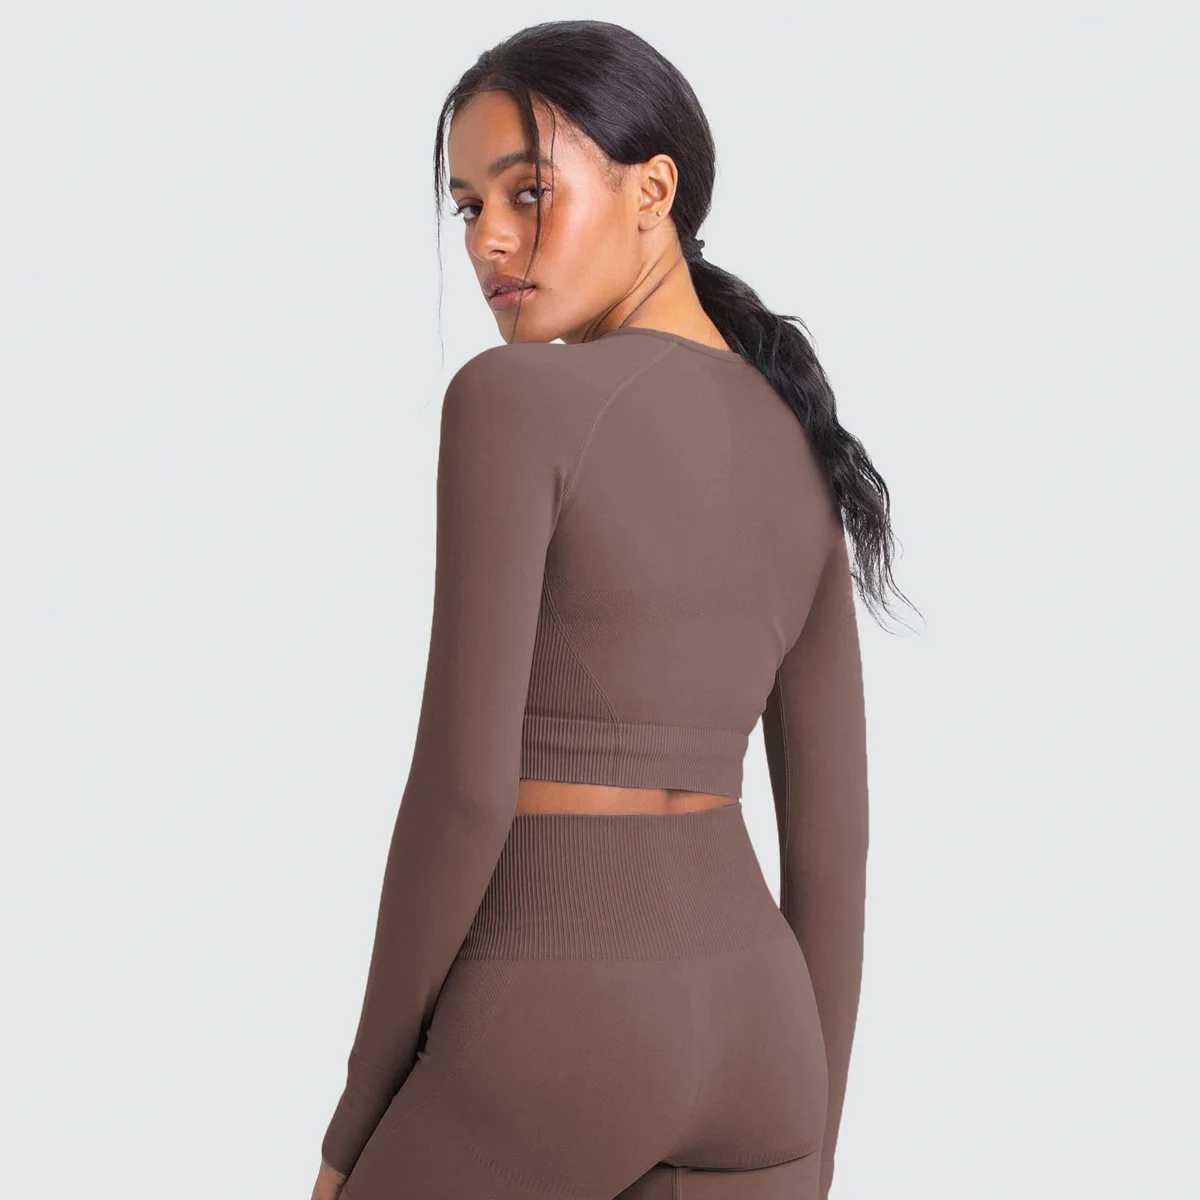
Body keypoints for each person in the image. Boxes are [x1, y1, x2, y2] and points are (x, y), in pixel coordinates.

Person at [312, 19, 912, 1200]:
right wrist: (814, 1139)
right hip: (765, 1043)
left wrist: (355, 1126)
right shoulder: (803, 444)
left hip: (560, 1008)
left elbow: (463, 792)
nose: (489, 239)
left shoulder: (513, 401)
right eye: (467, 207)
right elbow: (834, 846)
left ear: (654, 192)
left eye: (528, 193)